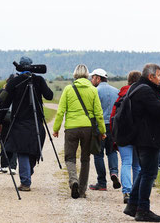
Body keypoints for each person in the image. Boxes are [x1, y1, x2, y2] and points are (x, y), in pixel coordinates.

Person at [123, 63, 160, 222]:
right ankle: (143, 209)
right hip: (148, 137)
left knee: (144, 171)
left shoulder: (137, 87)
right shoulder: (146, 90)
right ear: (151, 76)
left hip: (141, 136)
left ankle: (133, 204)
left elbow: (152, 108)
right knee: (149, 173)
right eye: (159, 75)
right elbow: (158, 112)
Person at [0, 57, 53, 192]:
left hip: (19, 122)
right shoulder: (38, 80)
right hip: (36, 121)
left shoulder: (15, 82)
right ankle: (27, 175)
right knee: (32, 150)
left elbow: (5, 103)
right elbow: (49, 96)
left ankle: (26, 181)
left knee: (22, 152)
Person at [53, 64, 106, 199]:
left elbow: (60, 112)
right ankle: (82, 190)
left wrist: (56, 129)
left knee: (70, 157)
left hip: (71, 128)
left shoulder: (68, 89)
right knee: (85, 159)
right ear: (88, 75)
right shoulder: (93, 90)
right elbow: (99, 113)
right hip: (88, 128)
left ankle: (73, 180)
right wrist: (102, 130)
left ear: (75, 74)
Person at [110, 70, 142, 203]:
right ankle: (137, 193)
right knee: (137, 166)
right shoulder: (142, 94)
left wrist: (114, 137)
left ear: (128, 80)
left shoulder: (121, 95)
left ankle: (127, 192)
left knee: (126, 163)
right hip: (139, 135)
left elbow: (113, 117)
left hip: (123, 135)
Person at [88, 68, 121, 191]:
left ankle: (102, 182)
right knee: (112, 151)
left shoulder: (95, 91)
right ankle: (114, 173)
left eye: (93, 78)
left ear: (98, 78)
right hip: (113, 125)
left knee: (98, 154)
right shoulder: (116, 91)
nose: (91, 80)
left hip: (99, 126)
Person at [0, 74, 17, 175]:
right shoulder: (20, 92)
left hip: (4, 120)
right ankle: (13, 166)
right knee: (15, 142)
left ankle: (4, 165)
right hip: (16, 120)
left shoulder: (2, 92)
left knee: (4, 142)